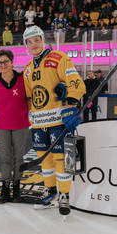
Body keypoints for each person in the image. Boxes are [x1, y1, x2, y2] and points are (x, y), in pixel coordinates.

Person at [23, 26, 86, 216]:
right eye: (29, 42)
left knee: (62, 160)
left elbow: (74, 81)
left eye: (36, 40)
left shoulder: (59, 57)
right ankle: (50, 192)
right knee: (45, 161)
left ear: (43, 40)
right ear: (26, 45)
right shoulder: (27, 69)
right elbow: (28, 97)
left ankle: (64, 195)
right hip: (39, 124)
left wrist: (71, 103)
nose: (34, 44)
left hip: (59, 121)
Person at [0, 49, 30, 204]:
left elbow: (29, 99)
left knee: (18, 157)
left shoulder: (22, 79)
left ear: (12, 62)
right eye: (0, 62)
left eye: (6, 61)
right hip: (3, 127)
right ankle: (5, 188)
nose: (3, 65)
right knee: (4, 158)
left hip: (20, 125)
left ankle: (17, 187)